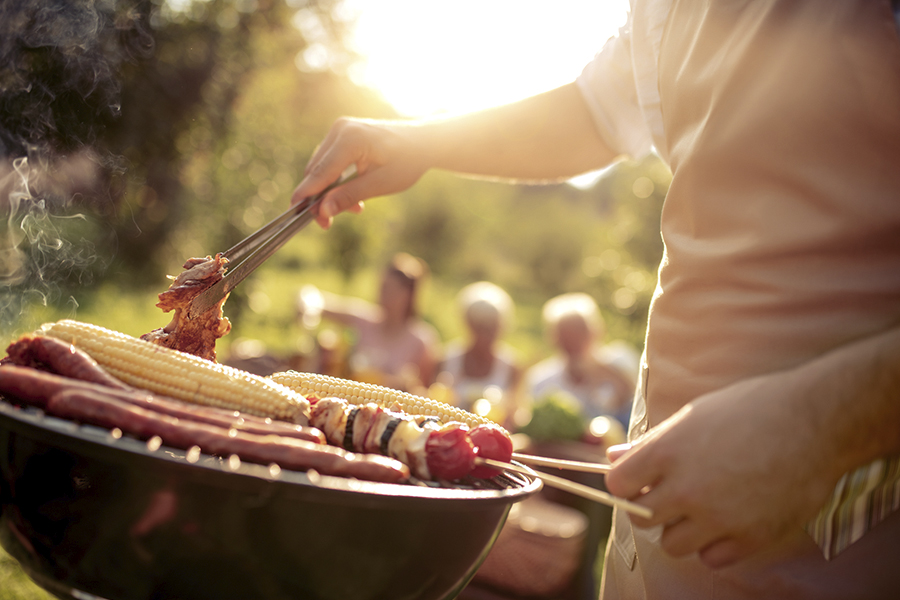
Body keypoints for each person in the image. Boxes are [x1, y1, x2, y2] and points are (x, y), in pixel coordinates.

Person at [290, 2, 900, 598]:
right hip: (656, 543)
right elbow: (597, 111)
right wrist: (421, 140)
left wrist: (819, 427)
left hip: (843, 538)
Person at [296, 252, 440, 393]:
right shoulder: (364, 319)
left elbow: (427, 394)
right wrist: (307, 310)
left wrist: (409, 385)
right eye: (382, 287)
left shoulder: (422, 341)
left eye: (391, 290)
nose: (383, 295)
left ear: (409, 296)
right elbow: (314, 299)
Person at [527, 292, 636, 430]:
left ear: (595, 332)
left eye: (579, 332)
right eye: (565, 334)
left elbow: (634, 401)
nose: (573, 340)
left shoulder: (620, 359)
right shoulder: (541, 379)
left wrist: (599, 369)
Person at [437, 281, 521, 428]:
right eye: (479, 327)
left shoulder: (512, 367)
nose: (484, 335)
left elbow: (516, 415)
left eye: (491, 327)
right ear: (468, 324)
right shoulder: (445, 359)